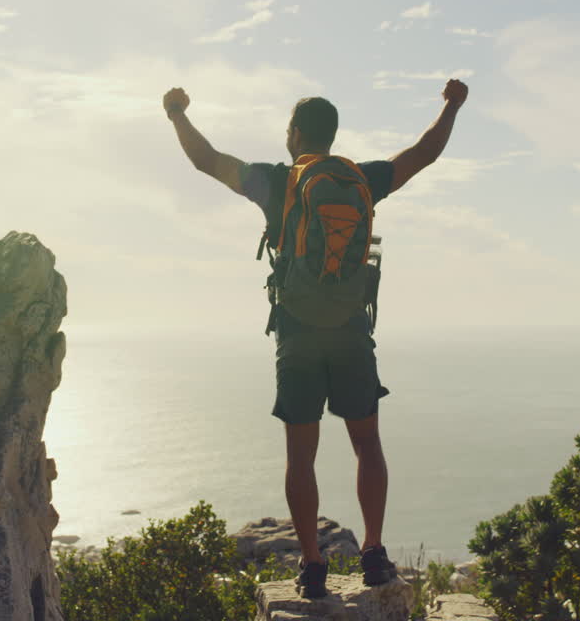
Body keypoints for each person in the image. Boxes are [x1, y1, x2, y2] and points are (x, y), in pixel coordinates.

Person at [162, 79, 468, 598]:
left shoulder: (276, 182)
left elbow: (206, 160)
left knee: (300, 455)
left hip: (298, 335)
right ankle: (373, 552)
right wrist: (452, 106)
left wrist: (176, 114)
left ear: (295, 133)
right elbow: (424, 153)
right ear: (332, 135)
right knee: (367, 443)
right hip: (351, 330)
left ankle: (311, 564)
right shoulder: (362, 179)